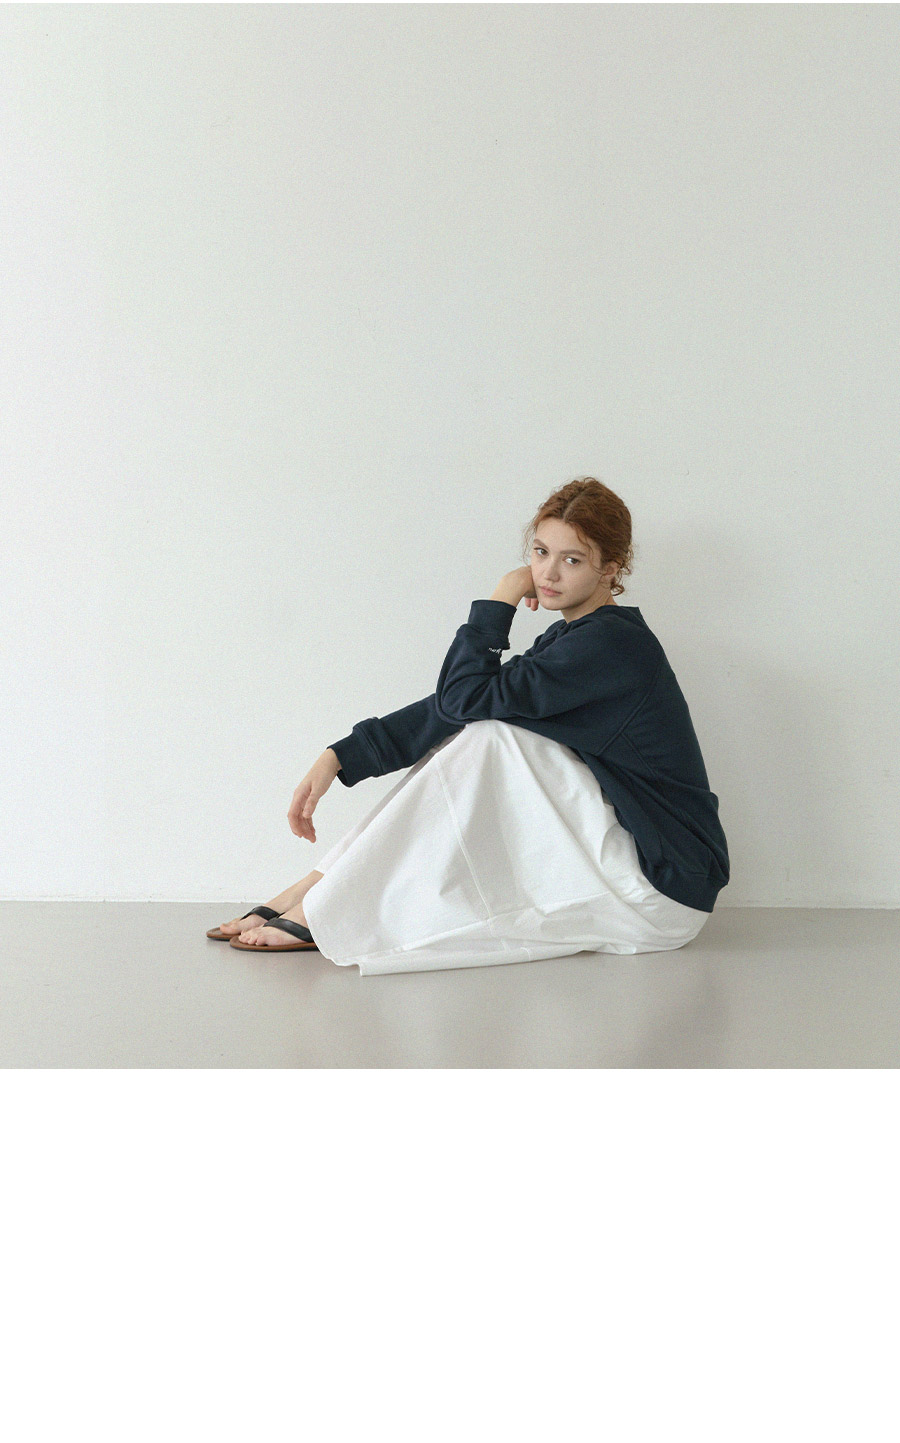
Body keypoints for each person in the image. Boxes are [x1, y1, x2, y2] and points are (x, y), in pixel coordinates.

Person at [211, 476, 730, 976]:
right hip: (643, 872)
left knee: (493, 736)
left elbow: (464, 699)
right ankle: (314, 889)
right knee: (488, 727)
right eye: (540, 552)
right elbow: (455, 707)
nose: (547, 573)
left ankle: (324, 904)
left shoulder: (612, 645)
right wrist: (340, 756)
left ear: (609, 569)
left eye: (572, 560)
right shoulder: (573, 641)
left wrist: (502, 598)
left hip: (663, 887)